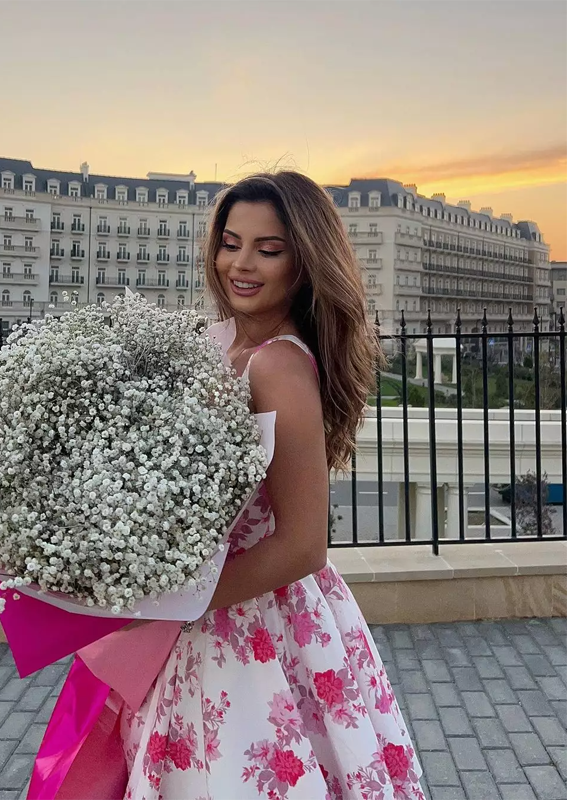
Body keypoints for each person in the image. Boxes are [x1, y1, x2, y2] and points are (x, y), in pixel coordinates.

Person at [119, 172, 425, 798]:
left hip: (255, 619)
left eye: (268, 249)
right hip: (201, 609)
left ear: (304, 262)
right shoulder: (218, 343)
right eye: (231, 243)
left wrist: (172, 602)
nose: (241, 263)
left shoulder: (278, 365)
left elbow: (304, 545)